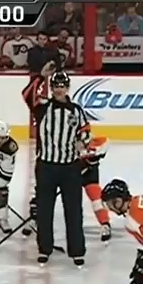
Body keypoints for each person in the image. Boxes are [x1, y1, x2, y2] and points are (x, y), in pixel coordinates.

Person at [30, 71, 90, 266]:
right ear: (51, 87)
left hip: (70, 168)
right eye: (56, 86)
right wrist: (41, 76)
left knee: (73, 210)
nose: (59, 89)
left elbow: (86, 131)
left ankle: (77, 250)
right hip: (46, 166)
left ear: (67, 88)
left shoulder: (76, 110)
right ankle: (44, 248)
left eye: (62, 86)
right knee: (44, 209)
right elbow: (26, 94)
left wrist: (82, 141)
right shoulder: (42, 107)